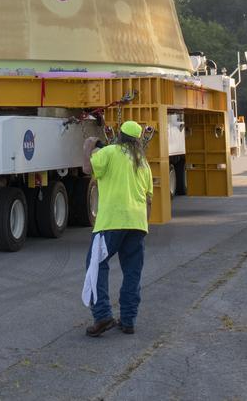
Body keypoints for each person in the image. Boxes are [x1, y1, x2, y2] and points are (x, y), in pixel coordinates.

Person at [81, 120, 153, 337]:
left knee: (96, 265)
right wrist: (144, 226)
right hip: (137, 224)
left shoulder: (109, 152)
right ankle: (128, 320)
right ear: (138, 140)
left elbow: (87, 169)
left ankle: (102, 315)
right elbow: (149, 199)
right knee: (132, 272)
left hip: (111, 222)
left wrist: (88, 147)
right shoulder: (143, 163)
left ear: (119, 135)